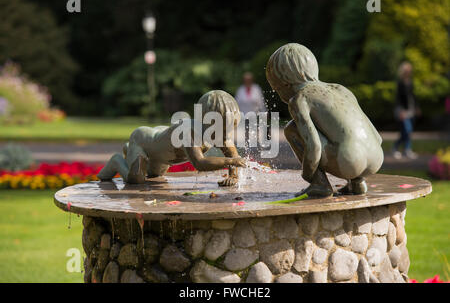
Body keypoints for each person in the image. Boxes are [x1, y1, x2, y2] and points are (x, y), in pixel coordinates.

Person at [266, 43, 383, 197]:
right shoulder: (340, 89)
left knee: (290, 129)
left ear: (284, 83)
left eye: (277, 89)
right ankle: (357, 183)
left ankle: (320, 185)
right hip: (376, 156)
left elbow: (313, 146)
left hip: (347, 161)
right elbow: (377, 136)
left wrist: (308, 174)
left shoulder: (300, 99)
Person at [97, 90, 246, 186]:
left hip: (162, 153)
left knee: (154, 175)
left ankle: (128, 150)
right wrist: (231, 162)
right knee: (136, 179)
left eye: (229, 127)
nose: (225, 132)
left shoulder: (220, 132)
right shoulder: (188, 132)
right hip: (142, 140)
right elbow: (199, 163)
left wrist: (233, 176)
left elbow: (233, 155)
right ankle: (117, 160)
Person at [392, 62, 420, 160]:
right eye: (407, 70)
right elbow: (398, 98)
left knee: (408, 131)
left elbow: (413, 96)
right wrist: (401, 111)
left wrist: (416, 107)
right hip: (403, 111)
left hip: (411, 110)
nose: (409, 72)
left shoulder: (411, 82)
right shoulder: (400, 83)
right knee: (407, 130)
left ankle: (407, 150)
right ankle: (395, 148)